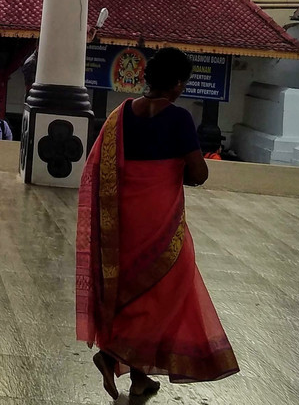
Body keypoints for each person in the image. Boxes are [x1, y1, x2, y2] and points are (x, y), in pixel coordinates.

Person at [77, 47, 238, 400]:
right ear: (178, 83)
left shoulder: (120, 115)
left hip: (123, 223)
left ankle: (137, 376)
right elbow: (199, 172)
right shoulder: (178, 118)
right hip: (159, 222)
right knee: (166, 291)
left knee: (135, 294)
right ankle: (112, 356)